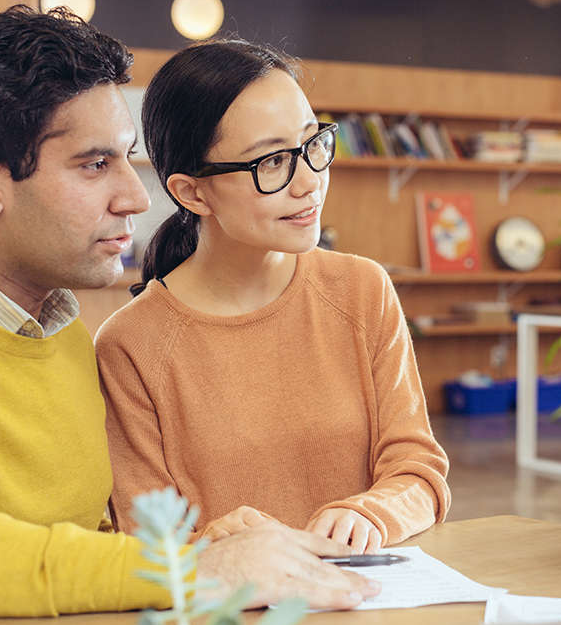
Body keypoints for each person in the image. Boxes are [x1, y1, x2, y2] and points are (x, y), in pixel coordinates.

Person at [0, 6, 377, 618]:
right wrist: (185, 569)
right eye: (95, 165)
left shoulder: (62, 333)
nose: (134, 195)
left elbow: (81, 557)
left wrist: (206, 547)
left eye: (126, 157)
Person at [94, 38, 450, 554]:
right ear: (193, 192)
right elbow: (145, 537)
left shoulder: (362, 291)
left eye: (312, 144)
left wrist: (370, 513)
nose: (309, 182)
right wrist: (212, 544)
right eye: (272, 163)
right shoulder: (131, 345)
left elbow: (418, 469)